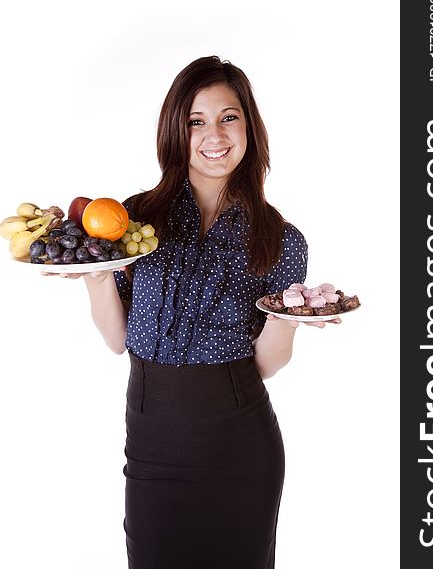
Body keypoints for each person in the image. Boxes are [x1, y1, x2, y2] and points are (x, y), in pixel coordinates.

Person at [45, 56, 340, 568]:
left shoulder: (281, 239)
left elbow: (265, 364)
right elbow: (118, 339)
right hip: (151, 441)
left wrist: (286, 320)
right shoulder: (132, 217)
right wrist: (96, 275)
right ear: (175, 131)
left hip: (241, 445)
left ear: (249, 125)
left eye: (229, 117)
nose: (214, 135)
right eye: (196, 121)